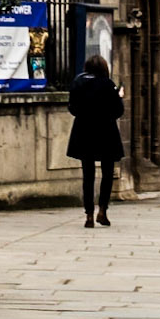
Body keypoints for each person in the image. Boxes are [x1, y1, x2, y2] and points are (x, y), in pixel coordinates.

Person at [66, 53, 125, 227]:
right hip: (106, 132)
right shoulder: (108, 85)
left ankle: (89, 214)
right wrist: (119, 97)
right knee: (107, 174)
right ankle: (103, 211)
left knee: (88, 175)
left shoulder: (78, 83)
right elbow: (117, 112)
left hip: (84, 132)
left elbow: (73, 109)